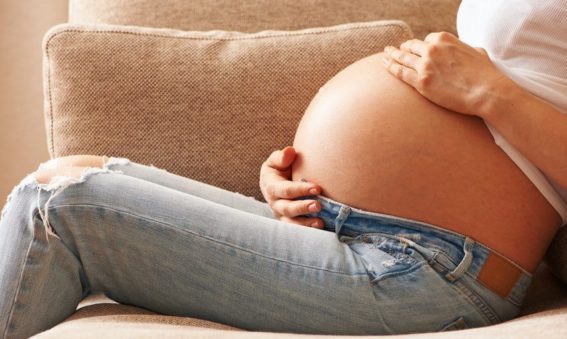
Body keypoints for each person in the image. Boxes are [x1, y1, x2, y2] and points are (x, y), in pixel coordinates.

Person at [1, 1, 566, 338]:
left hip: (427, 270)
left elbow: (493, 96)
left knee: (57, 209)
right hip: (364, 233)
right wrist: (317, 186)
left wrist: (492, 94)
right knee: (75, 168)